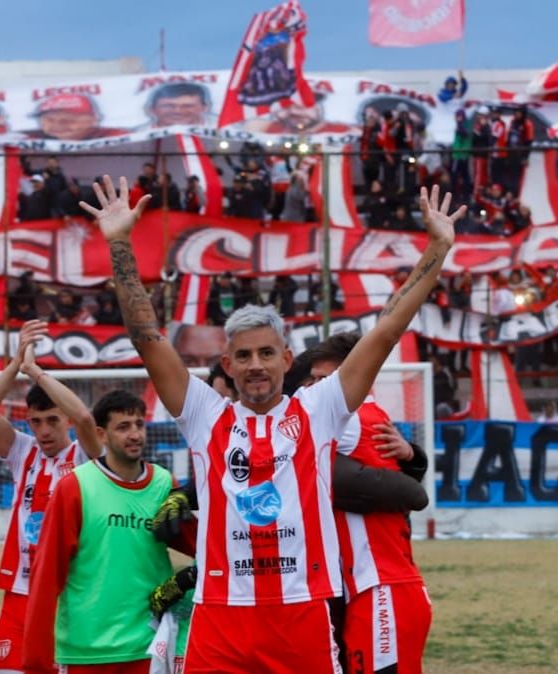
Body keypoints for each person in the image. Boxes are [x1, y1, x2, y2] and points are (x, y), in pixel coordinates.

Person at [79, 174, 462, 672]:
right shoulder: (204, 413)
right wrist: (120, 245)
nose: (255, 364)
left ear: (286, 357)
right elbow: (146, 336)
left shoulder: (319, 408)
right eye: (243, 356)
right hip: (220, 616)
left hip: (301, 614)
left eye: (266, 353)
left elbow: (387, 329)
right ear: (229, 364)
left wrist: (437, 248)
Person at [21, 389, 194, 674]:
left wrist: (190, 497)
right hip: (86, 650)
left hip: (150, 645)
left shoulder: (164, 485)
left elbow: (206, 546)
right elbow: (47, 572)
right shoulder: (75, 486)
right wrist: (36, 659)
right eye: (123, 427)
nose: (135, 434)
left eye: (139, 424)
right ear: (101, 434)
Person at [0, 319, 102, 674]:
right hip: (20, 592)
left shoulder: (85, 456)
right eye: (36, 422)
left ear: (66, 420)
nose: (44, 431)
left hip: (66, 593)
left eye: (52, 420)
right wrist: (16, 364)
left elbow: (85, 416)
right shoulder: (23, 452)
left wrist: (36, 372)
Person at [307, 333, 432, 674]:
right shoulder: (359, 417)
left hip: (382, 589)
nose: (315, 390)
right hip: (372, 590)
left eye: (325, 380)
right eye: (313, 380)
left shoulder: (351, 419)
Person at [23, 94, 129, 141]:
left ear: (93, 120)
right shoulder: (31, 138)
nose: (56, 125)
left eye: (66, 120)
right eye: (49, 120)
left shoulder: (116, 136)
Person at [145, 82, 213, 127]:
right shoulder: (136, 135)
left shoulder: (220, 132)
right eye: (168, 106)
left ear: (204, 108)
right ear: (152, 109)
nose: (177, 111)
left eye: (187, 106)